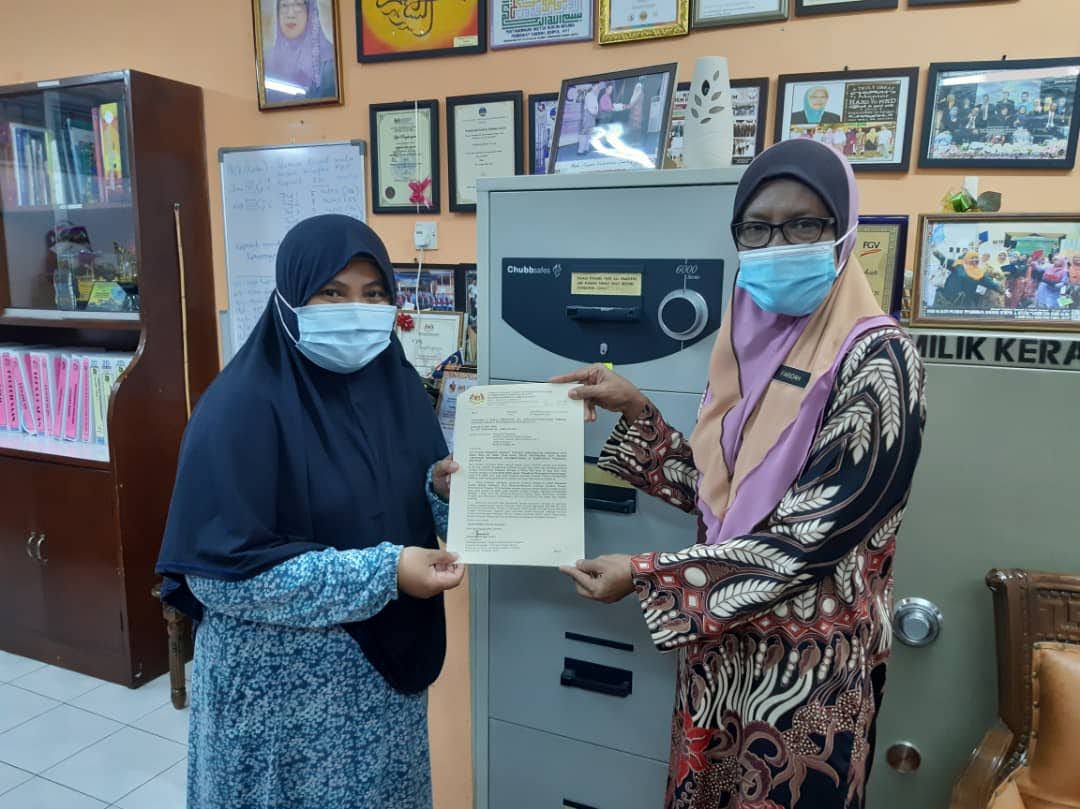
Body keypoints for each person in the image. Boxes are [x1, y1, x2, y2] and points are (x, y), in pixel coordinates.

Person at [553, 139, 926, 809]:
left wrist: (645, 575)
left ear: (843, 232)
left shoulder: (879, 361)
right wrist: (636, 409)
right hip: (717, 664)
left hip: (803, 686)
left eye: (804, 224)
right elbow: (720, 494)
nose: (777, 243)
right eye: (757, 228)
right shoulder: (748, 347)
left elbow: (806, 539)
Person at [155, 215, 465, 808]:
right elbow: (220, 577)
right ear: (290, 300)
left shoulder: (397, 387)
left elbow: (403, 506)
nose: (356, 311)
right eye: (332, 292)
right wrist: (385, 573)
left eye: (373, 294)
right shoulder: (239, 407)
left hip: (384, 692)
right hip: (279, 704)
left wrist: (441, 493)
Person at [264, 0, 338, 103]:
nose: (290, 15)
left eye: (298, 5)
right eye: (284, 6)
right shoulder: (266, 61)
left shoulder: (329, 61)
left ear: (310, 12)